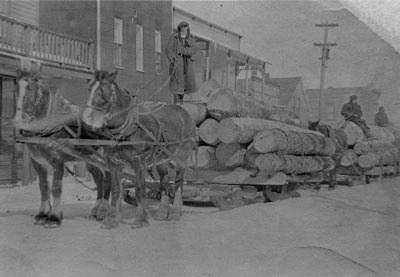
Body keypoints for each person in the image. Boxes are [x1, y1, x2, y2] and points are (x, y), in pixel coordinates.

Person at [166, 21, 196, 105]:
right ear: (179, 30)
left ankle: (182, 101)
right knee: (176, 83)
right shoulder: (173, 37)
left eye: (185, 30)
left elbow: (193, 49)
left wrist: (185, 51)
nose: (184, 31)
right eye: (182, 30)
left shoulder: (191, 38)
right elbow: (169, 49)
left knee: (185, 84)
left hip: (187, 65)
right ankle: (177, 102)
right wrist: (172, 57)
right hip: (177, 64)